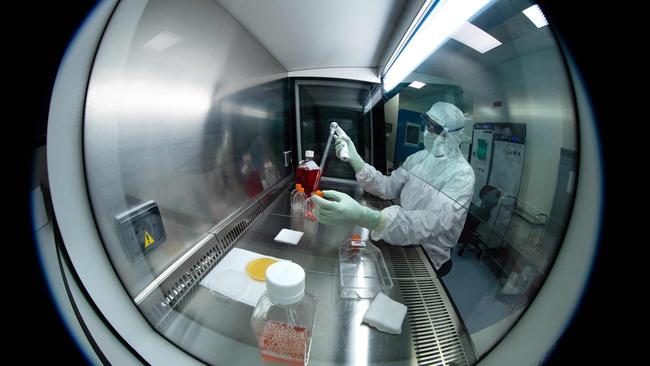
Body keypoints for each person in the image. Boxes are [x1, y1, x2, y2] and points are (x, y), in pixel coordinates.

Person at [310, 102, 475, 276]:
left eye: (433, 129)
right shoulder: (418, 158)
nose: (426, 132)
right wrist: (356, 161)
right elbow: (388, 187)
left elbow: (430, 221)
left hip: (426, 256)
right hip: (397, 233)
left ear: (450, 136)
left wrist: (368, 217)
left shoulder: (462, 175)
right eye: (426, 125)